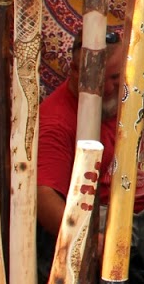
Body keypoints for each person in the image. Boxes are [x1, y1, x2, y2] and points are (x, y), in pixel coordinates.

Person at [36, 26, 126, 261]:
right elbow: (44, 198)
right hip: (105, 230)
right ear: (75, 71)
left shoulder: (125, 93)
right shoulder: (56, 122)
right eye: (98, 79)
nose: (107, 89)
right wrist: (95, 247)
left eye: (115, 78)